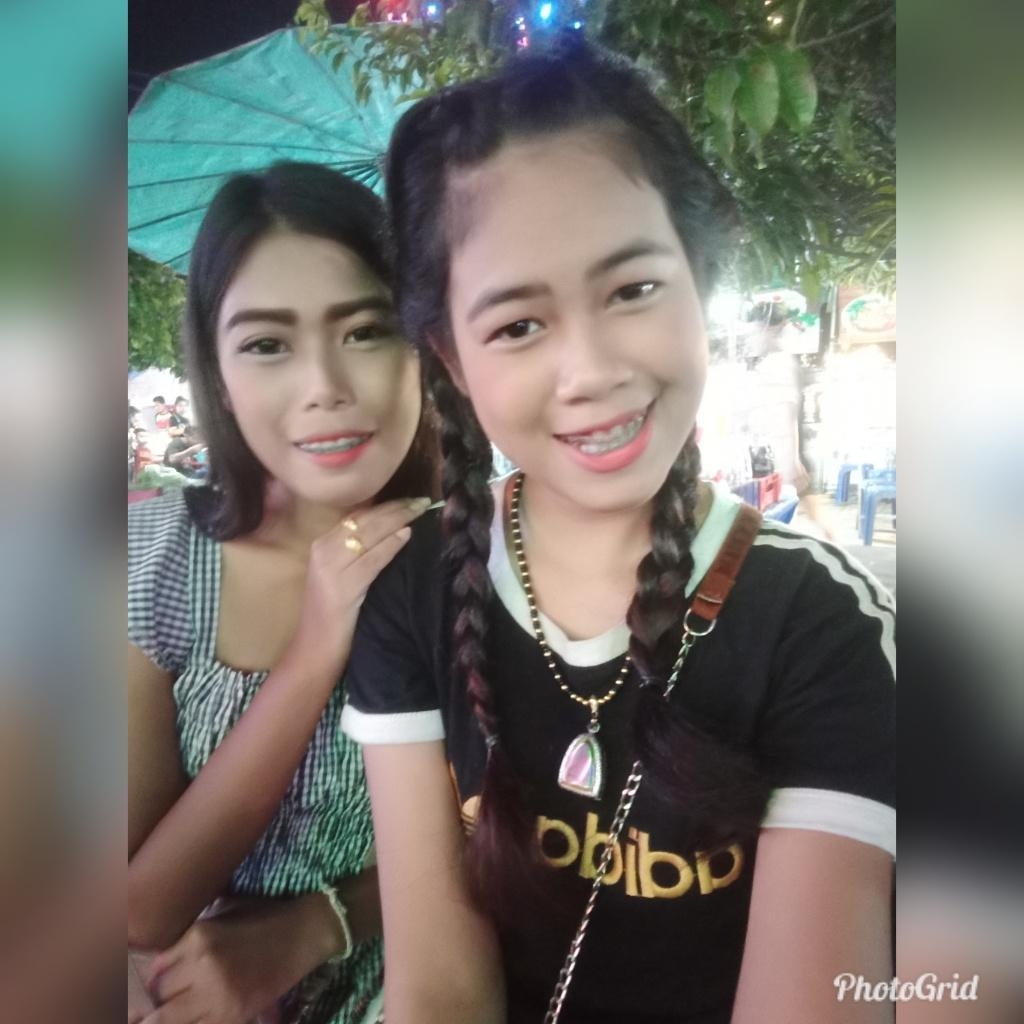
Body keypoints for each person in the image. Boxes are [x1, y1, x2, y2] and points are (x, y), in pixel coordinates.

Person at [341, 41, 895, 1024]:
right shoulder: (413, 591)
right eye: (517, 325)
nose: (591, 370)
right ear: (452, 360)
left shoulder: (824, 627)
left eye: (633, 288)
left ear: (698, 275)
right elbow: (438, 991)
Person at [127, 162, 438, 1024]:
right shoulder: (153, 566)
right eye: (267, 344)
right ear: (217, 374)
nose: (324, 387)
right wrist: (313, 652)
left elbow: (510, 842)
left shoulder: (479, 561)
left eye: (366, 330)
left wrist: (319, 923)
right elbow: (139, 907)